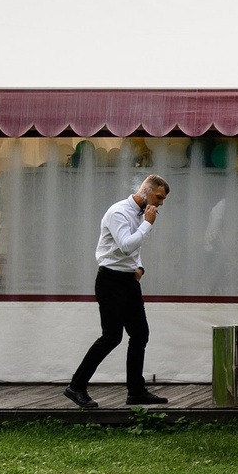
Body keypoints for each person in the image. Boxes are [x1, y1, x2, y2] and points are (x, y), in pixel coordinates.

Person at [66, 173, 171, 409]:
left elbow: (134, 247)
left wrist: (139, 266)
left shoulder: (141, 214)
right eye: (158, 197)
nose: (160, 203)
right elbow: (125, 245)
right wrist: (147, 224)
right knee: (111, 337)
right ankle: (76, 386)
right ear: (146, 191)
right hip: (110, 280)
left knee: (140, 334)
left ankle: (136, 392)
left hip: (129, 280)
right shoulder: (118, 212)